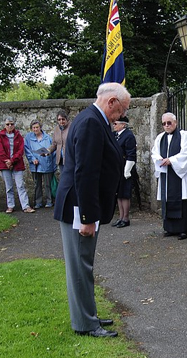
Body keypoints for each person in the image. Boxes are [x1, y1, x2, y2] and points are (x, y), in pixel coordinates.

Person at [54, 82, 130, 338]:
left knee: (84, 264)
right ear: (111, 102)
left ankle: (88, 315)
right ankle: (85, 323)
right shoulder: (90, 122)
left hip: (83, 206)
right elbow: (84, 173)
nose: (120, 116)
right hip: (78, 208)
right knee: (79, 267)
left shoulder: (94, 119)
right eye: (121, 111)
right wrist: (87, 218)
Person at [151, 112, 187, 240]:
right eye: (164, 123)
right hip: (167, 175)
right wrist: (160, 159)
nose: (166, 126)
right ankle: (170, 228)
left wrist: (172, 160)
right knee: (168, 198)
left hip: (181, 175)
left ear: (175, 122)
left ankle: (184, 229)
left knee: (183, 200)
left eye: (169, 123)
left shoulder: (184, 135)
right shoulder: (160, 137)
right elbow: (154, 153)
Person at [0, 117, 35, 213]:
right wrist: (7, 161)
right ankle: (10, 206)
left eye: (11, 124)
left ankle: (25, 206)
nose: (10, 126)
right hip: (5, 164)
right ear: (5, 125)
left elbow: (20, 150)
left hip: (17, 164)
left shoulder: (18, 136)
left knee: (20, 185)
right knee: (8, 187)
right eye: (8, 124)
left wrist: (12, 161)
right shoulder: (0, 136)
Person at [111, 115, 137, 228]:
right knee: (118, 194)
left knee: (125, 194)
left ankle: (126, 218)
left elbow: (131, 154)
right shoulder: (115, 135)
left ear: (123, 125)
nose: (114, 125)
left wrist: (127, 171)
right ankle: (120, 217)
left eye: (116, 123)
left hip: (126, 167)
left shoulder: (129, 136)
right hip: (117, 167)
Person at [24, 120, 56, 208]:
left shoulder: (48, 138)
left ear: (40, 127)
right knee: (37, 184)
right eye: (33, 128)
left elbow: (53, 151)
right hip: (35, 164)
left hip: (46, 163)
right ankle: (38, 202)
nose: (35, 129)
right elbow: (27, 150)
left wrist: (53, 165)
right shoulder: (28, 138)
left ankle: (49, 201)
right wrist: (32, 159)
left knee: (47, 184)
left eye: (37, 127)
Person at [48, 110, 70, 174]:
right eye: (59, 119)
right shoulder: (57, 129)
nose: (61, 121)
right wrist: (48, 150)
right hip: (60, 159)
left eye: (63, 119)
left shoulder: (72, 127)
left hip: (69, 159)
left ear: (67, 119)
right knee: (63, 179)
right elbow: (54, 144)